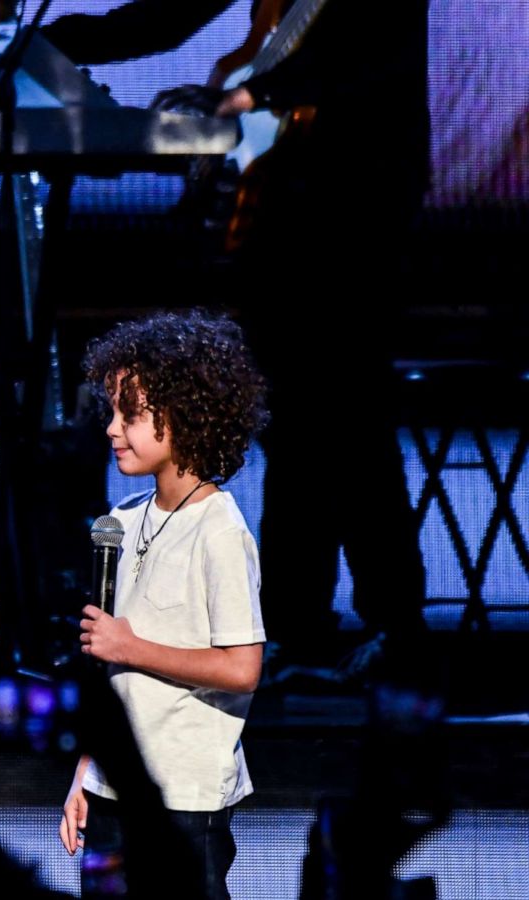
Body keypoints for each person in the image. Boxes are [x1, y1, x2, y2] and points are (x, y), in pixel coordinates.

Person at [43, 0, 432, 673]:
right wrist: (41, 45)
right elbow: (161, 17)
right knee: (292, 422)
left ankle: (396, 625)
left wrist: (252, 91)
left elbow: (373, 49)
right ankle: (297, 621)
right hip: (281, 208)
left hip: (359, 203)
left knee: (351, 412)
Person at [58, 310, 269, 900]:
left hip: (183, 795)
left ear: (186, 415)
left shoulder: (219, 531)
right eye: (112, 413)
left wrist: (132, 646)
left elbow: (241, 668)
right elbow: (109, 671)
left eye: (131, 414)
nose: (111, 429)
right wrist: (86, 769)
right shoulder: (122, 520)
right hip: (112, 784)